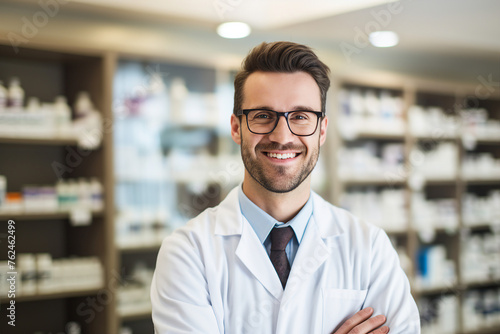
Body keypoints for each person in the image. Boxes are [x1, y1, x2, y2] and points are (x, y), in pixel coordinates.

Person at [151, 41, 420, 334]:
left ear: (322, 130)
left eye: (301, 116)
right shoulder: (188, 253)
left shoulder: (369, 248)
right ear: (236, 128)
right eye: (263, 116)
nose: (282, 136)